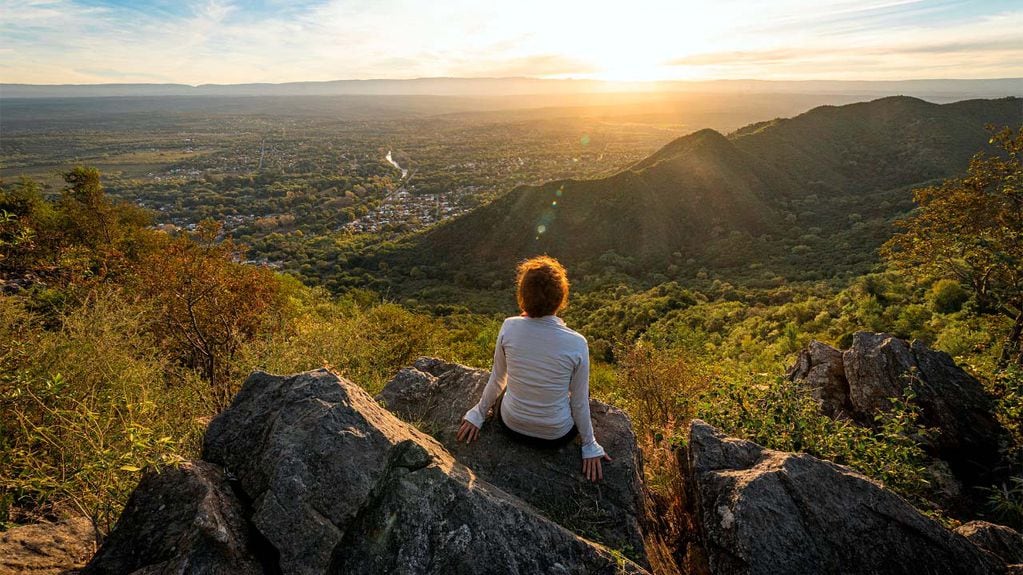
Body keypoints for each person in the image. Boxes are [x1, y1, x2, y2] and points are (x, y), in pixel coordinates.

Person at [456, 255, 611, 481]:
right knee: (581, 391)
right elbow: (578, 403)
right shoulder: (577, 343)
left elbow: (498, 378)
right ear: (561, 298)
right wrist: (589, 445)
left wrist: (478, 413)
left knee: (511, 384)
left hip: (511, 425)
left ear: (523, 296)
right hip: (556, 435)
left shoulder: (509, 326)